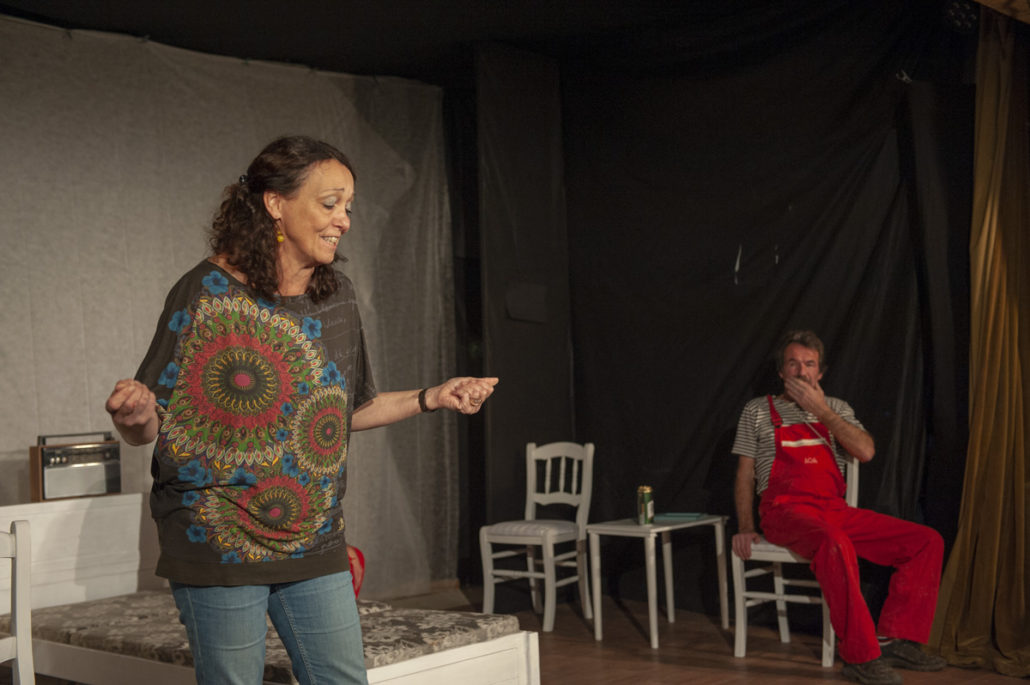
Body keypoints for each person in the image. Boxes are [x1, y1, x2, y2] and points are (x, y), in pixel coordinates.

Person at [105, 135, 497, 685]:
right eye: (330, 203)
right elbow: (150, 424)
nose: (344, 221)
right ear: (275, 203)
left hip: (314, 536)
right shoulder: (204, 292)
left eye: (349, 207)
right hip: (218, 538)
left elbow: (346, 410)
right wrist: (133, 415)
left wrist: (433, 396)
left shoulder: (336, 297)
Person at [731, 330, 946, 685]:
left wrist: (821, 411)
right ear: (782, 371)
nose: (801, 371)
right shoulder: (757, 410)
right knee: (835, 542)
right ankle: (860, 657)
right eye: (793, 363)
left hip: (833, 509)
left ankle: (894, 640)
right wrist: (745, 526)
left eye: (809, 364)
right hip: (785, 511)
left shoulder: (838, 408)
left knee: (926, 541)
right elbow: (744, 475)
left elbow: (866, 451)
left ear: (821, 372)